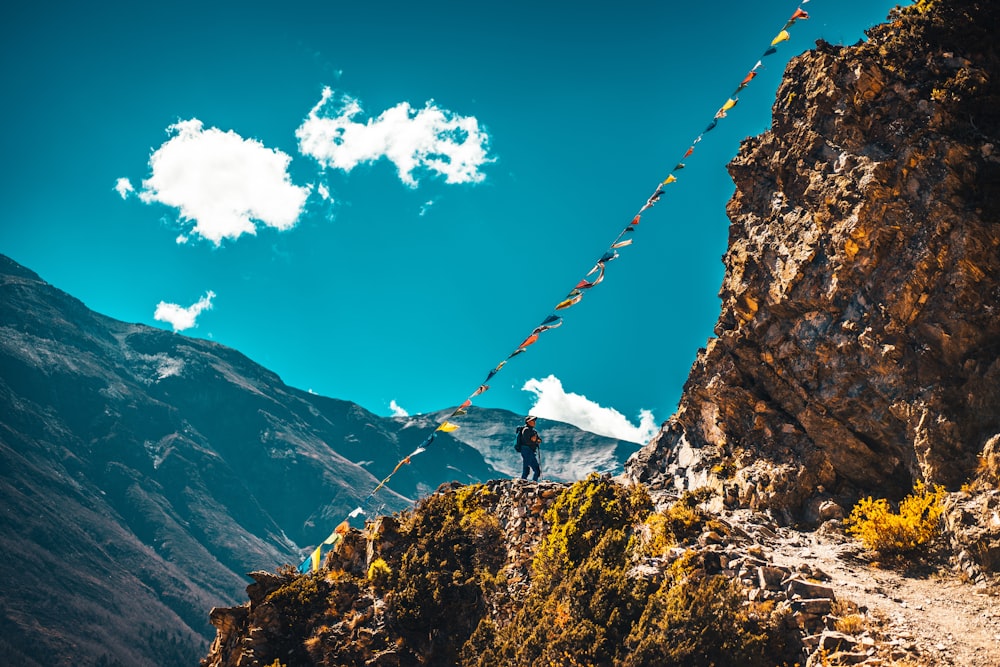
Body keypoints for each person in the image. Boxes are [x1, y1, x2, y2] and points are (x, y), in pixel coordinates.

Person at [518, 415, 542, 481]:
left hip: (529, 451)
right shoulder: (526, 430)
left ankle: (524, 482)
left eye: (534, 421)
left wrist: (536, 440)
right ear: (528, 422)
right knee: (533, 469)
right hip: (527, 450)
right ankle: (525, 482)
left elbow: (539, 440)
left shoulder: (533, 431)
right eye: (532, 421)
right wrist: (534, 441)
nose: (534, 422)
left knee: (530, 469)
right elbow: (527, 441)